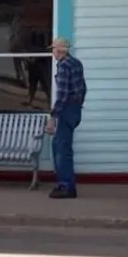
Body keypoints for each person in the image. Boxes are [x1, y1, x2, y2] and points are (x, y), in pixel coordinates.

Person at [47, 38, 87, 199]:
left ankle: (66, 185)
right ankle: (66, 183)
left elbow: (62, 94)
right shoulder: (76, 63)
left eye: (54, 49)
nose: (53, 53)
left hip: (66, 110)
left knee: (61, 148)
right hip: (75, 109)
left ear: (60, 51)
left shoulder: (63, 66)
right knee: (60, 145)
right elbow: (82, 88)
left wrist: (53, 116)